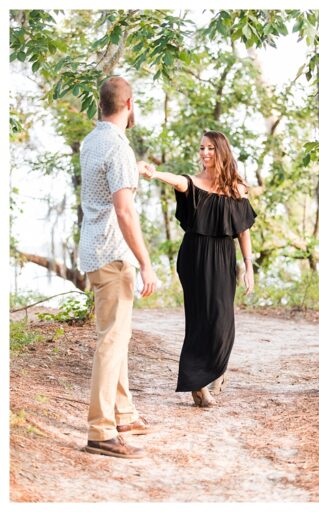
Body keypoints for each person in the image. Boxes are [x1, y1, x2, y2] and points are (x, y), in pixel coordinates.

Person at [140, 131, 256, 407]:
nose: (204, 153)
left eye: (210, 148)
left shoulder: (237, 189)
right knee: (200, 319)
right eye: (202, 148)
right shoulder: (194, 182)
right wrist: (154, 174)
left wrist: (249, 266)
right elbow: (179, 181)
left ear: (222, 151)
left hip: (223, 256)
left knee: (223, 319)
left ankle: (217, 367)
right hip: (195, 254)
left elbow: (243, 231)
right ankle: (198, 385)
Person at [80, 76, 159, 458]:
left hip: (93, 251)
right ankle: (100, 431)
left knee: (117, 336)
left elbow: (106, 185)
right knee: (111, 342)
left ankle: (123, 413)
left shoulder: (93, 141)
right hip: (113, 254)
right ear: (129, 104)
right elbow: (124, 210)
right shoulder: (118, 148)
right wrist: (146, 263)